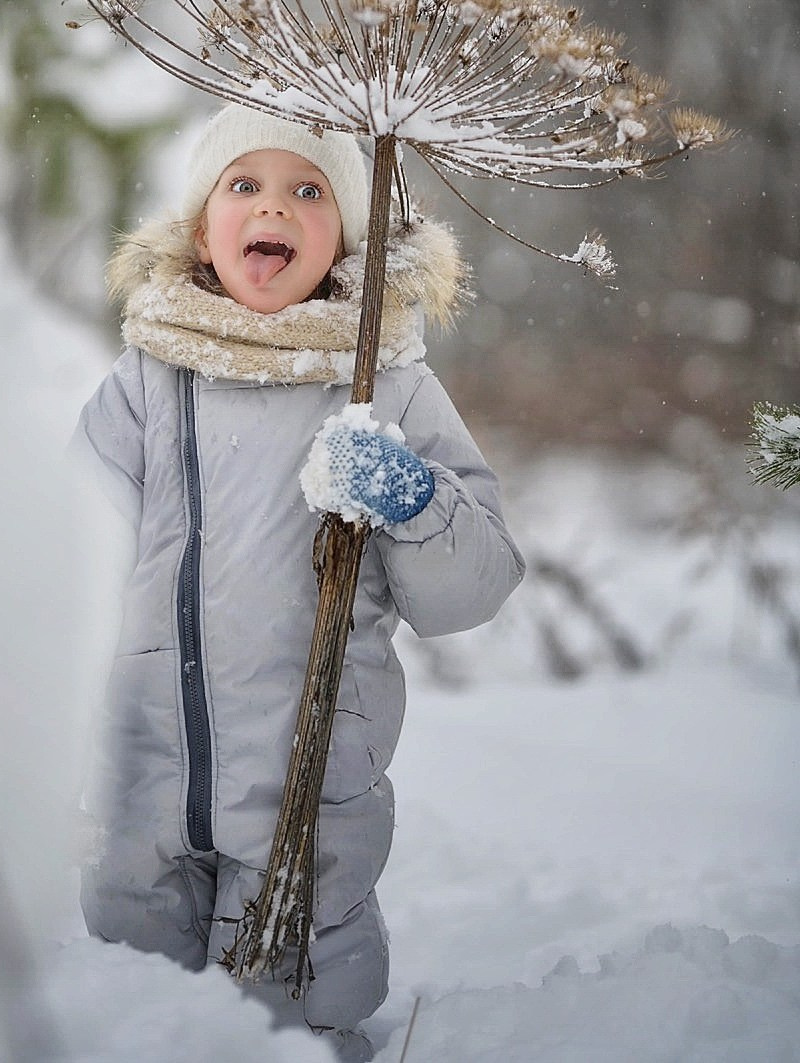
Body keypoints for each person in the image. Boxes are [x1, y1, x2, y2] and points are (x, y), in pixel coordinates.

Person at [75, 105, 524, 1061]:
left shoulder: (384, 385)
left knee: (290, 1029)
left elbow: (475, 583)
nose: (272, 204)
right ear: (203, 227)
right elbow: (70, 541)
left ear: (347, 240)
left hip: (308, 804)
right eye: (244, 183)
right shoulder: (150, 377)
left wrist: (410, 497)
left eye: (306, 189)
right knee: (130, 1024)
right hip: (137, 787)